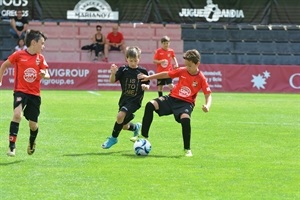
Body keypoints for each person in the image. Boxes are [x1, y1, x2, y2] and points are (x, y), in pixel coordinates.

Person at [137, 49, 212, 157]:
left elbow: (208, 94)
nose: (187, 68)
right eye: (186, 65)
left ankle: (187, 149)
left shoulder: (201, 78)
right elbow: (165, 74)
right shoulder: (182, 70)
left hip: (186, 103)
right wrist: (148, 77)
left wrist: (207, 105)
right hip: (172, 99)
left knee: (185, 119)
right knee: (150, 105)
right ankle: (144, 136)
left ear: (197, 64)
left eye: (190, 65)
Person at [0, 29, 50, 156]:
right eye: (42, 43)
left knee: (33, 125)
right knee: (17, 115)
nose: (43, 46)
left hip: (34, 95)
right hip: (20, 91)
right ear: (34, 42)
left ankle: (32, 141)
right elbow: (4, 65)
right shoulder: (19, 55)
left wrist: (45, 74)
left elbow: (47, 74)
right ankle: (12, 147)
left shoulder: (41, 58)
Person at [101, 46, 150, 149]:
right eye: (131, 60)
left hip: (135, 101)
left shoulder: (142, 71)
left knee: (120, 116)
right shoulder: (123, 70)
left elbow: (147, 84)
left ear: (139, 59)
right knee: (124, 126)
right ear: (126, 59)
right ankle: (136, 127)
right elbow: (112, 80)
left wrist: (146, 86)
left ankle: (113, 138)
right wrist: (113, 73)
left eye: (135, 60)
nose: (133, 63)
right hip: (124, 100)